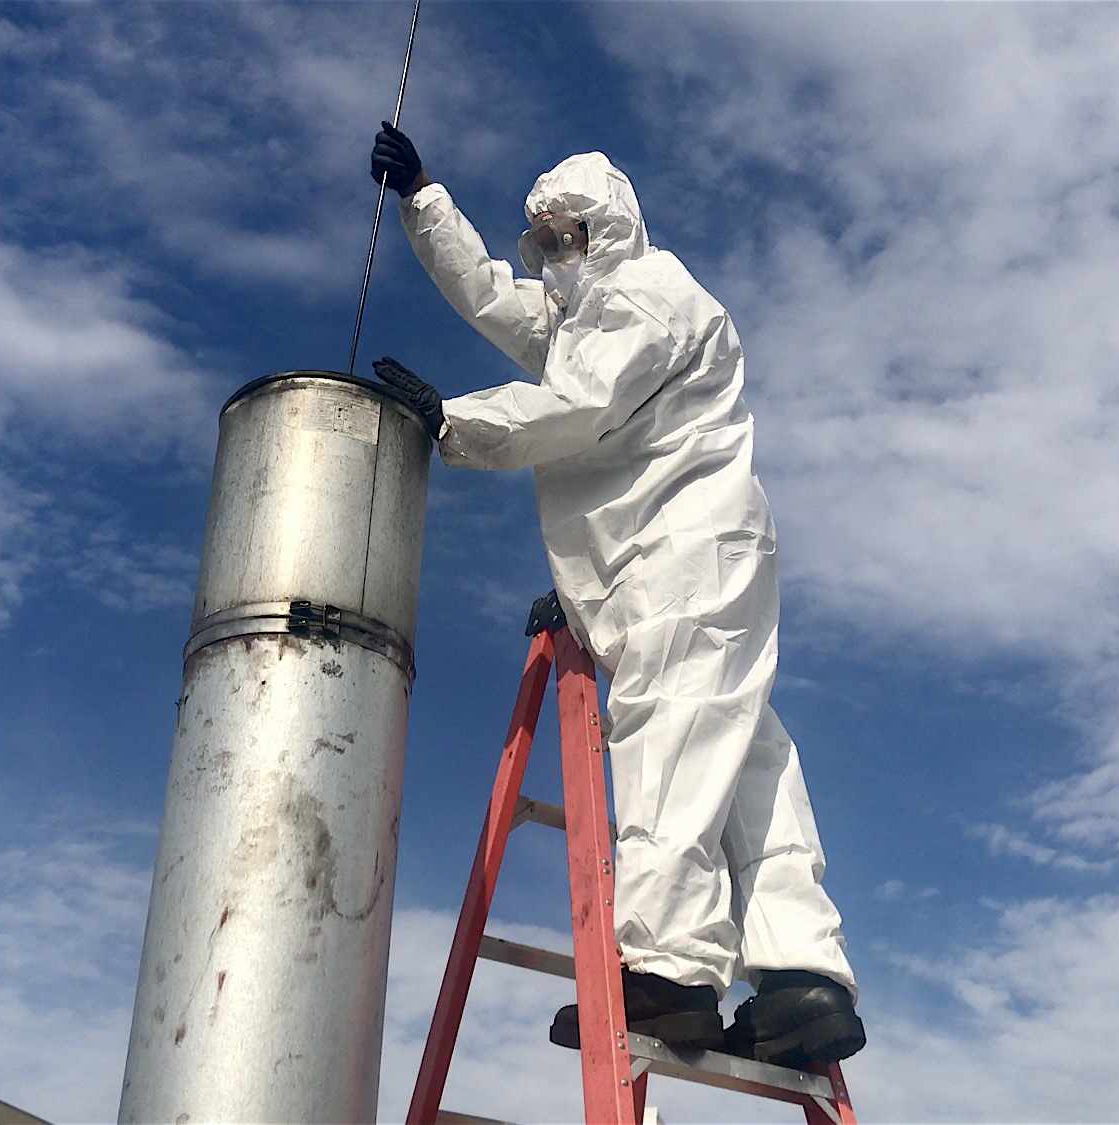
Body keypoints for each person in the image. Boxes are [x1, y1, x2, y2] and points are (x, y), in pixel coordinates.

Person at [369, 123, 864, 1068]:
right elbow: (488, 297)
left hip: (680, 552)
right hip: (669, 557)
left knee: (672, 737)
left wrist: (452, 420)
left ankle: (672, 975)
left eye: (570, 236)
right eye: (544, 240)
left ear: (611, 229)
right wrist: (423, 199)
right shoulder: (580, 319)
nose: (555, 256)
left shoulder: (646, 296)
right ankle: (803, 981)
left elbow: (575, 410)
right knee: (744, 753)